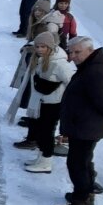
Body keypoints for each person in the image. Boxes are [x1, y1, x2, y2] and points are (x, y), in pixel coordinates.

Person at [55, 36, 103, 205]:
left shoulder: (95, 71)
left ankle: (82, 202)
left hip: (87, 127)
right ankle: (83, 193)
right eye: (71, 52)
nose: (73, 56)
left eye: (78, 52)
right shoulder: (90, 66)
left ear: (90, 50)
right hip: (84, 125)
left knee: (77, 163)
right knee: (82, 161)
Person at [20, 31, 73, 173]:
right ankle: (41, 158)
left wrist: (66, 101)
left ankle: (46, 162)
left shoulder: (60, 64)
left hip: (53, 105)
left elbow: (72, 83)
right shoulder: (41, 59)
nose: (39, 50)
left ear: (50, 47)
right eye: (37, 47)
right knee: (39, 132)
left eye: (43, 47)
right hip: (40, 103)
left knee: (46, 133)